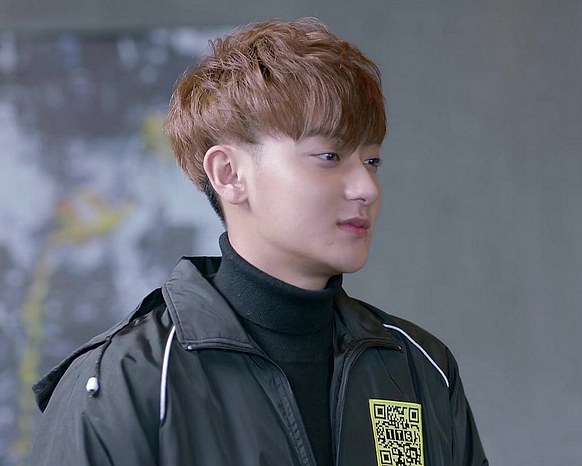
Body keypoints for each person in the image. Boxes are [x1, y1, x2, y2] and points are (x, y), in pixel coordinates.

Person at [28, 17, 487, 466]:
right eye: (329, 156)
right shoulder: (124, 382)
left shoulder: (419, 369)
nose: (366, 188)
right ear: (229, 174)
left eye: (372, 161)